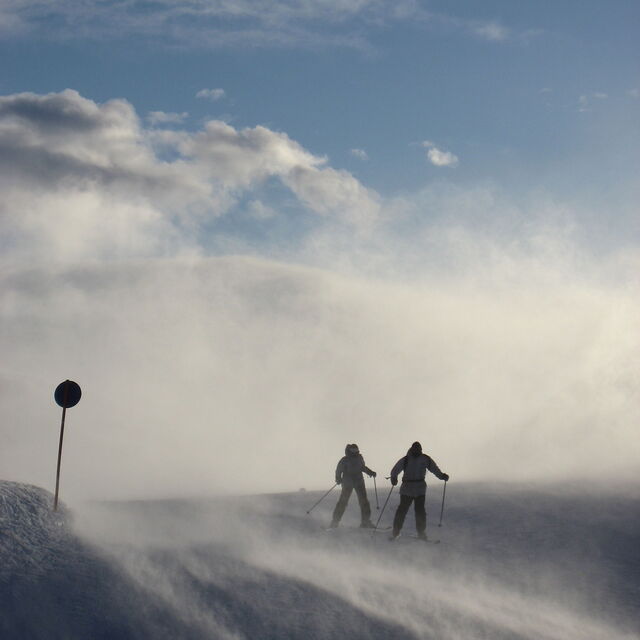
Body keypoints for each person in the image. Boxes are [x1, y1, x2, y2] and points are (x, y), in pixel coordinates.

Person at [389, 441, 449, 540]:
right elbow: (395, 470)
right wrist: (393, 478)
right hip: (407, 489)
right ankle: (396, 532)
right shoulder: (406, 459)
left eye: (418, 449)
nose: (417, 451)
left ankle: (421, 533)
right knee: (402, 511)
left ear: (420, 450)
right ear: (412, 449)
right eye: (415, 449)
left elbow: (434, 469)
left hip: (420, 489)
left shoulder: (425, 459)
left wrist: (442, 476)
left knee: (419, 512)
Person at [329, 444, 377, 528]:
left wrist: (370, 472)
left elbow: (363, 467)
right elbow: (338, 470)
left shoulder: (359, 458)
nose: (355, 451)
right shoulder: (345, 460)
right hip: (348, 483)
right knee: (343, 502)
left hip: (359, 482)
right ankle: (335, 522)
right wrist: (338, 478)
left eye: (356, 450)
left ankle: (365, 522)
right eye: (353, 450)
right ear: (349, 450)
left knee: (364, 502)